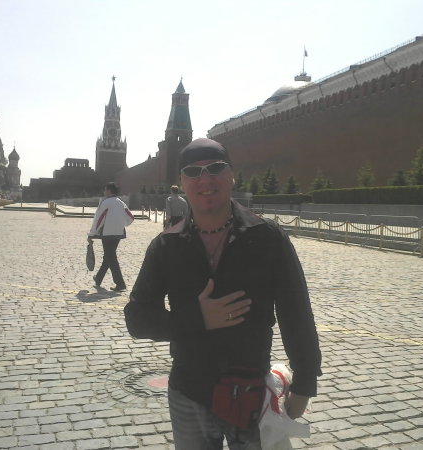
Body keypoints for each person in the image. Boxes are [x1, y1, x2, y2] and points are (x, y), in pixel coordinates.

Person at [124, 138, 322, 449]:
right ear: (182, 182)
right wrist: (199, 318)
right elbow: (136, 319)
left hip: (252, 394)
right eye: (193, 171)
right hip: (190, 393)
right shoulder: (166, 246)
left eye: (215, 168)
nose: (205, 180)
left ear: (232, 175)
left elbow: (296, 312)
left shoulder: (267, 238)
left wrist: (305, 383)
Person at [88, 182, 134, 291]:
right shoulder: (121, 203)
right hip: (118, 233)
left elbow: (99, 220)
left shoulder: (105, 202)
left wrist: (91, 234)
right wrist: (121, 224)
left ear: (109, 190)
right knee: (109, 256)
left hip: (107, 234)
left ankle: (120, 283)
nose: (104, 192)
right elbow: (130, 217)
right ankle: (98, 278)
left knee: (111, 257)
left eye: (105, 190)